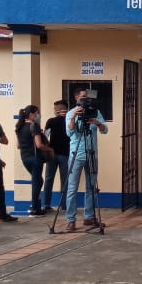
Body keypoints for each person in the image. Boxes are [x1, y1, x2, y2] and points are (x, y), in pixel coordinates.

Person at [64, 88, 108, 232]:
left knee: (91, 188)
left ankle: (89, 217)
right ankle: (71, 220)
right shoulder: (71, 113)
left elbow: (105, 130)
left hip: (91, 154)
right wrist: (73, 118)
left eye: (87, 98)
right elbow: (69, 132)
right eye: (83, 98)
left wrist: (97, 123)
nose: (86, 100)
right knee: (72, 188)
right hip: (76, 154)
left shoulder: (95, 112)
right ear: (76, 98)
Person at [15, 104, 53, 216]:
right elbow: (39, 145)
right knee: (37, 182)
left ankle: (35, 205)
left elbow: (18, 145)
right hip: (35, 158)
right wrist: (50, 149)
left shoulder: (19, 126)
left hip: (24, 157)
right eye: (36, 113)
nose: (38, 115)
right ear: (31, 114)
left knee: (38, 181)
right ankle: (34, 208)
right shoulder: (34, 126)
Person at [42, 99, 71, 213]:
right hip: (66, 154)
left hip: (52, 154)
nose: (54, 111)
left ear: (59, 109)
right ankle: (64, 205)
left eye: (55, 109)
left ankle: (46, 204)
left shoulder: (51, 121)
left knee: (49, 179)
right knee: (65, 181)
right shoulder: (71, 120)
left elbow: (45, 136)